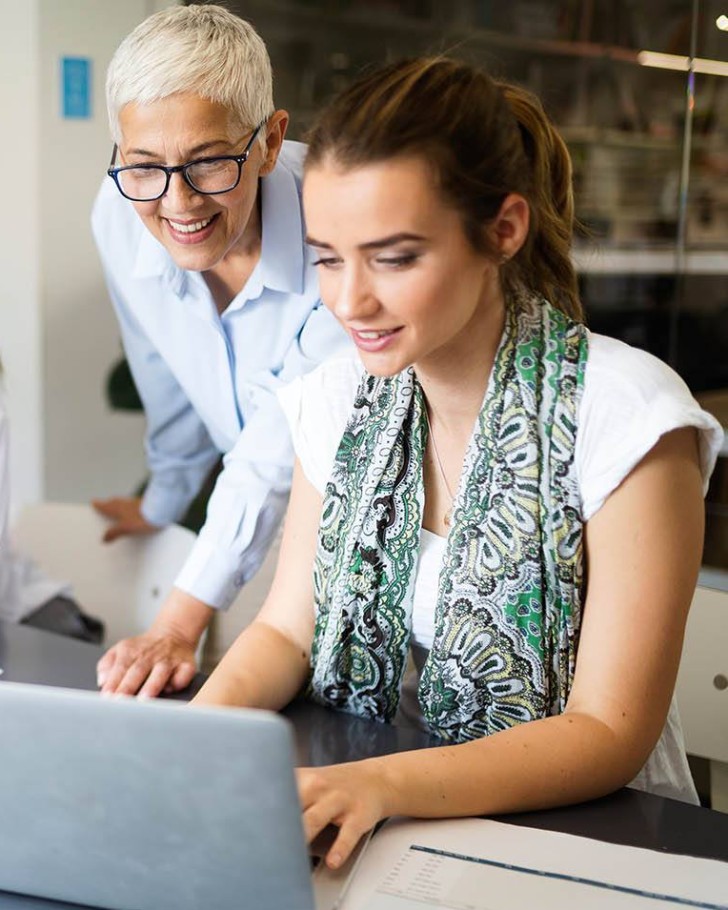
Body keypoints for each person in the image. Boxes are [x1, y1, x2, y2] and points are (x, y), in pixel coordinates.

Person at [192, 57, 723, 868]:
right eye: (329, 258)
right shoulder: (335, 399)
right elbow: (285, 630)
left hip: (598, 843)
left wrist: (379, 786)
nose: (348, 301)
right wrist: (185, 740)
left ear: (504, 229)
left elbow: (608, 733)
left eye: (394, 258)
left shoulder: (626, 416)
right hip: (399, 812)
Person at [91, 5, 349, 697]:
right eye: (144, 165)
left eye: (208, 163)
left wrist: (176, 622)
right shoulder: (119, 212)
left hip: (358, 523)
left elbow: (277, 441)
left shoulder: (338, 228)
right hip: (257, 538)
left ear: (270, 141)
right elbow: (161, 369)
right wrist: (166, 496)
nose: (176, 202)